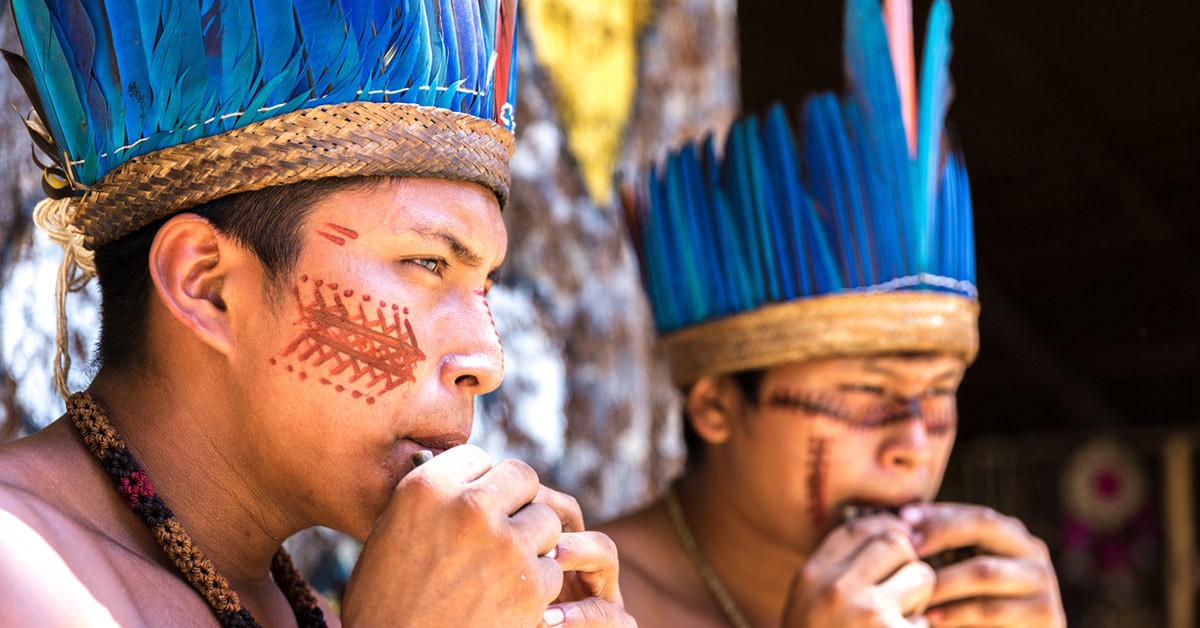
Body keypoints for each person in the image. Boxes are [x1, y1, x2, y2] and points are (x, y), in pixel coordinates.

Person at [0, 1, 631, 626]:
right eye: (428, 264)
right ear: (207, 284)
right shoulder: (18, 563)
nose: (487, 362)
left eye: (484, 284)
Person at [601, 0, 1066, 625]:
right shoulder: (577, 601)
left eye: (939, 393)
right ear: (715, 405)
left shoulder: (956, 610)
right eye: (868, 392)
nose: (913, 445)